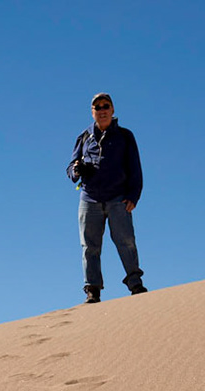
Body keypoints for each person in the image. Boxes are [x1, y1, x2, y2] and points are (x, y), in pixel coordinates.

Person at [67, 93, 145, 304]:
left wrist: (133, 195)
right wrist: (76, 170)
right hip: (89, 199)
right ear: (92, 112)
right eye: (97, 107)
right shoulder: (84, 137)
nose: (102, 110)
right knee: (89, 246)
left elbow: (135, 168)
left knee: (126, 241)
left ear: (112, 110)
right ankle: (92, 290)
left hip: (118, 198)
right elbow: (70, 167)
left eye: (105, 106)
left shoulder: (125, 136)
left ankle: (135, 284)